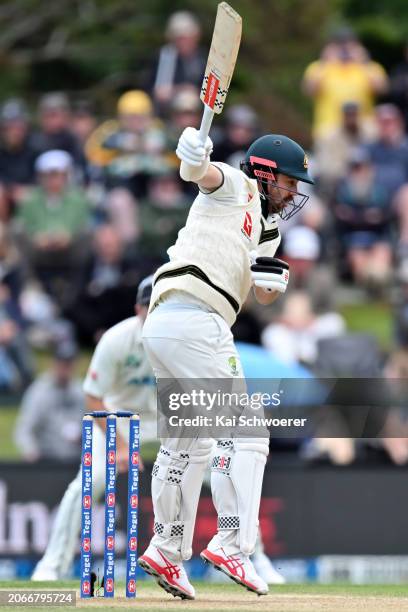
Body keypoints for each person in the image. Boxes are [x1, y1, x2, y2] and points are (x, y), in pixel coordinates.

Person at [138, 126, 314, 599]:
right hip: (195, 319)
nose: (294, 193)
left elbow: (260, 286)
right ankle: (234, 544)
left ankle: (166, 549)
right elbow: (202, 174)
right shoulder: (238, 185)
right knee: (248, 432)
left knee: (187, 443)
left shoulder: (269, 227)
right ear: (265, 173)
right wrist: (192, 156)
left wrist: (269, 288)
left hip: (167, 325)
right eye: (290, 182)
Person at [31, 276, 156, 581]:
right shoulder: (116, 339)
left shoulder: (182, 340)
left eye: (162, 307)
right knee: (90, 480)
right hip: (118, 417)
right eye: (150, 307)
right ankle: (53, 564)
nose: (155, 315)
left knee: (220, 464)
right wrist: (123, 446)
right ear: (137, 309)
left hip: (165, 418)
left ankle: (248, 556)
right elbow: (92, 396)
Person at [302, 28, 388, 141]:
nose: (344, 49)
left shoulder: (370, 67)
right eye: (339, 45)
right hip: (329, 127)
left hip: (362, 128)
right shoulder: (319, 68)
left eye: (349, 45)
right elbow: (309, 90)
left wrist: (363, 62)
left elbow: (381, 89)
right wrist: (326, 63)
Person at [14, 340, 83, 462]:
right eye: (62, 363)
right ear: (54, 363)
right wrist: (30, 451)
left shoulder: (80, 390)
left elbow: (94, 426)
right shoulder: (39, 391)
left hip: (76, 458)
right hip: (47, 458)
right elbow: (24, 429)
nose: (65, 367)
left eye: (69, 363)